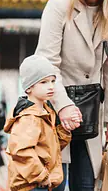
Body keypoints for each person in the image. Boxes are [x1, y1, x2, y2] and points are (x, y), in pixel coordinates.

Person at [35, 0, 108, 191]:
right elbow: (46, 62)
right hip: (56, 104)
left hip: (92, 110)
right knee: (54, 182)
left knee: (87, 184)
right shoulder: (59, 3)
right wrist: (63, 105)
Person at [4, 55, 71, 191]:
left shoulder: (46, 111)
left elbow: (51, 147)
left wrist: (64, 130)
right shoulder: (29, 117)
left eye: (53, 81)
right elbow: (21, 150)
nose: (51, 86)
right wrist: (41, 176)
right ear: (29, 88)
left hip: (43, 181)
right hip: (33, 184)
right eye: (44, 82)